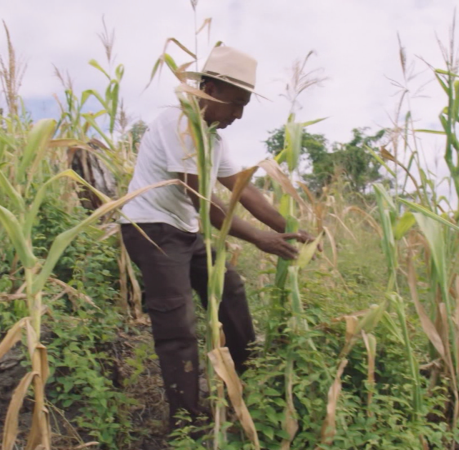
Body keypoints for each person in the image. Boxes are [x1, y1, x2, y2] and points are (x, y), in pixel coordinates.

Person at [118, 45, 314, 429]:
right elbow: (200, 196)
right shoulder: (178, 123)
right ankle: (186, 421)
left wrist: (284, 226)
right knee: (177, 323)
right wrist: (259, 238)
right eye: (236, 103)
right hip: (152, 229)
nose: (239, 115)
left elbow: (242, 188)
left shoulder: (214, 138)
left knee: (231, 289)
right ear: (208, 88)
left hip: (185, 230)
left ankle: (248, 382)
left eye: (245, 106)